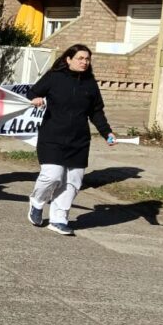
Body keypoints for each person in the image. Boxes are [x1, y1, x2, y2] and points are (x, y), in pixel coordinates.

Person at [26, 44, 116, 236]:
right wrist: (35, 99)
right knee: (53, 175)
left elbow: (96, 112)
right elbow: (32, 92)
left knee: (73, 181)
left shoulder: (90, 83)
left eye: (87, 59)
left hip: (79, 139)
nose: (84, 62)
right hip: (52, 135)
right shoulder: (54, 77)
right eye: (80, 58)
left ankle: (59, 219)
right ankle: (37, 201)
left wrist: (106, 132)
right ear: (68, 59)